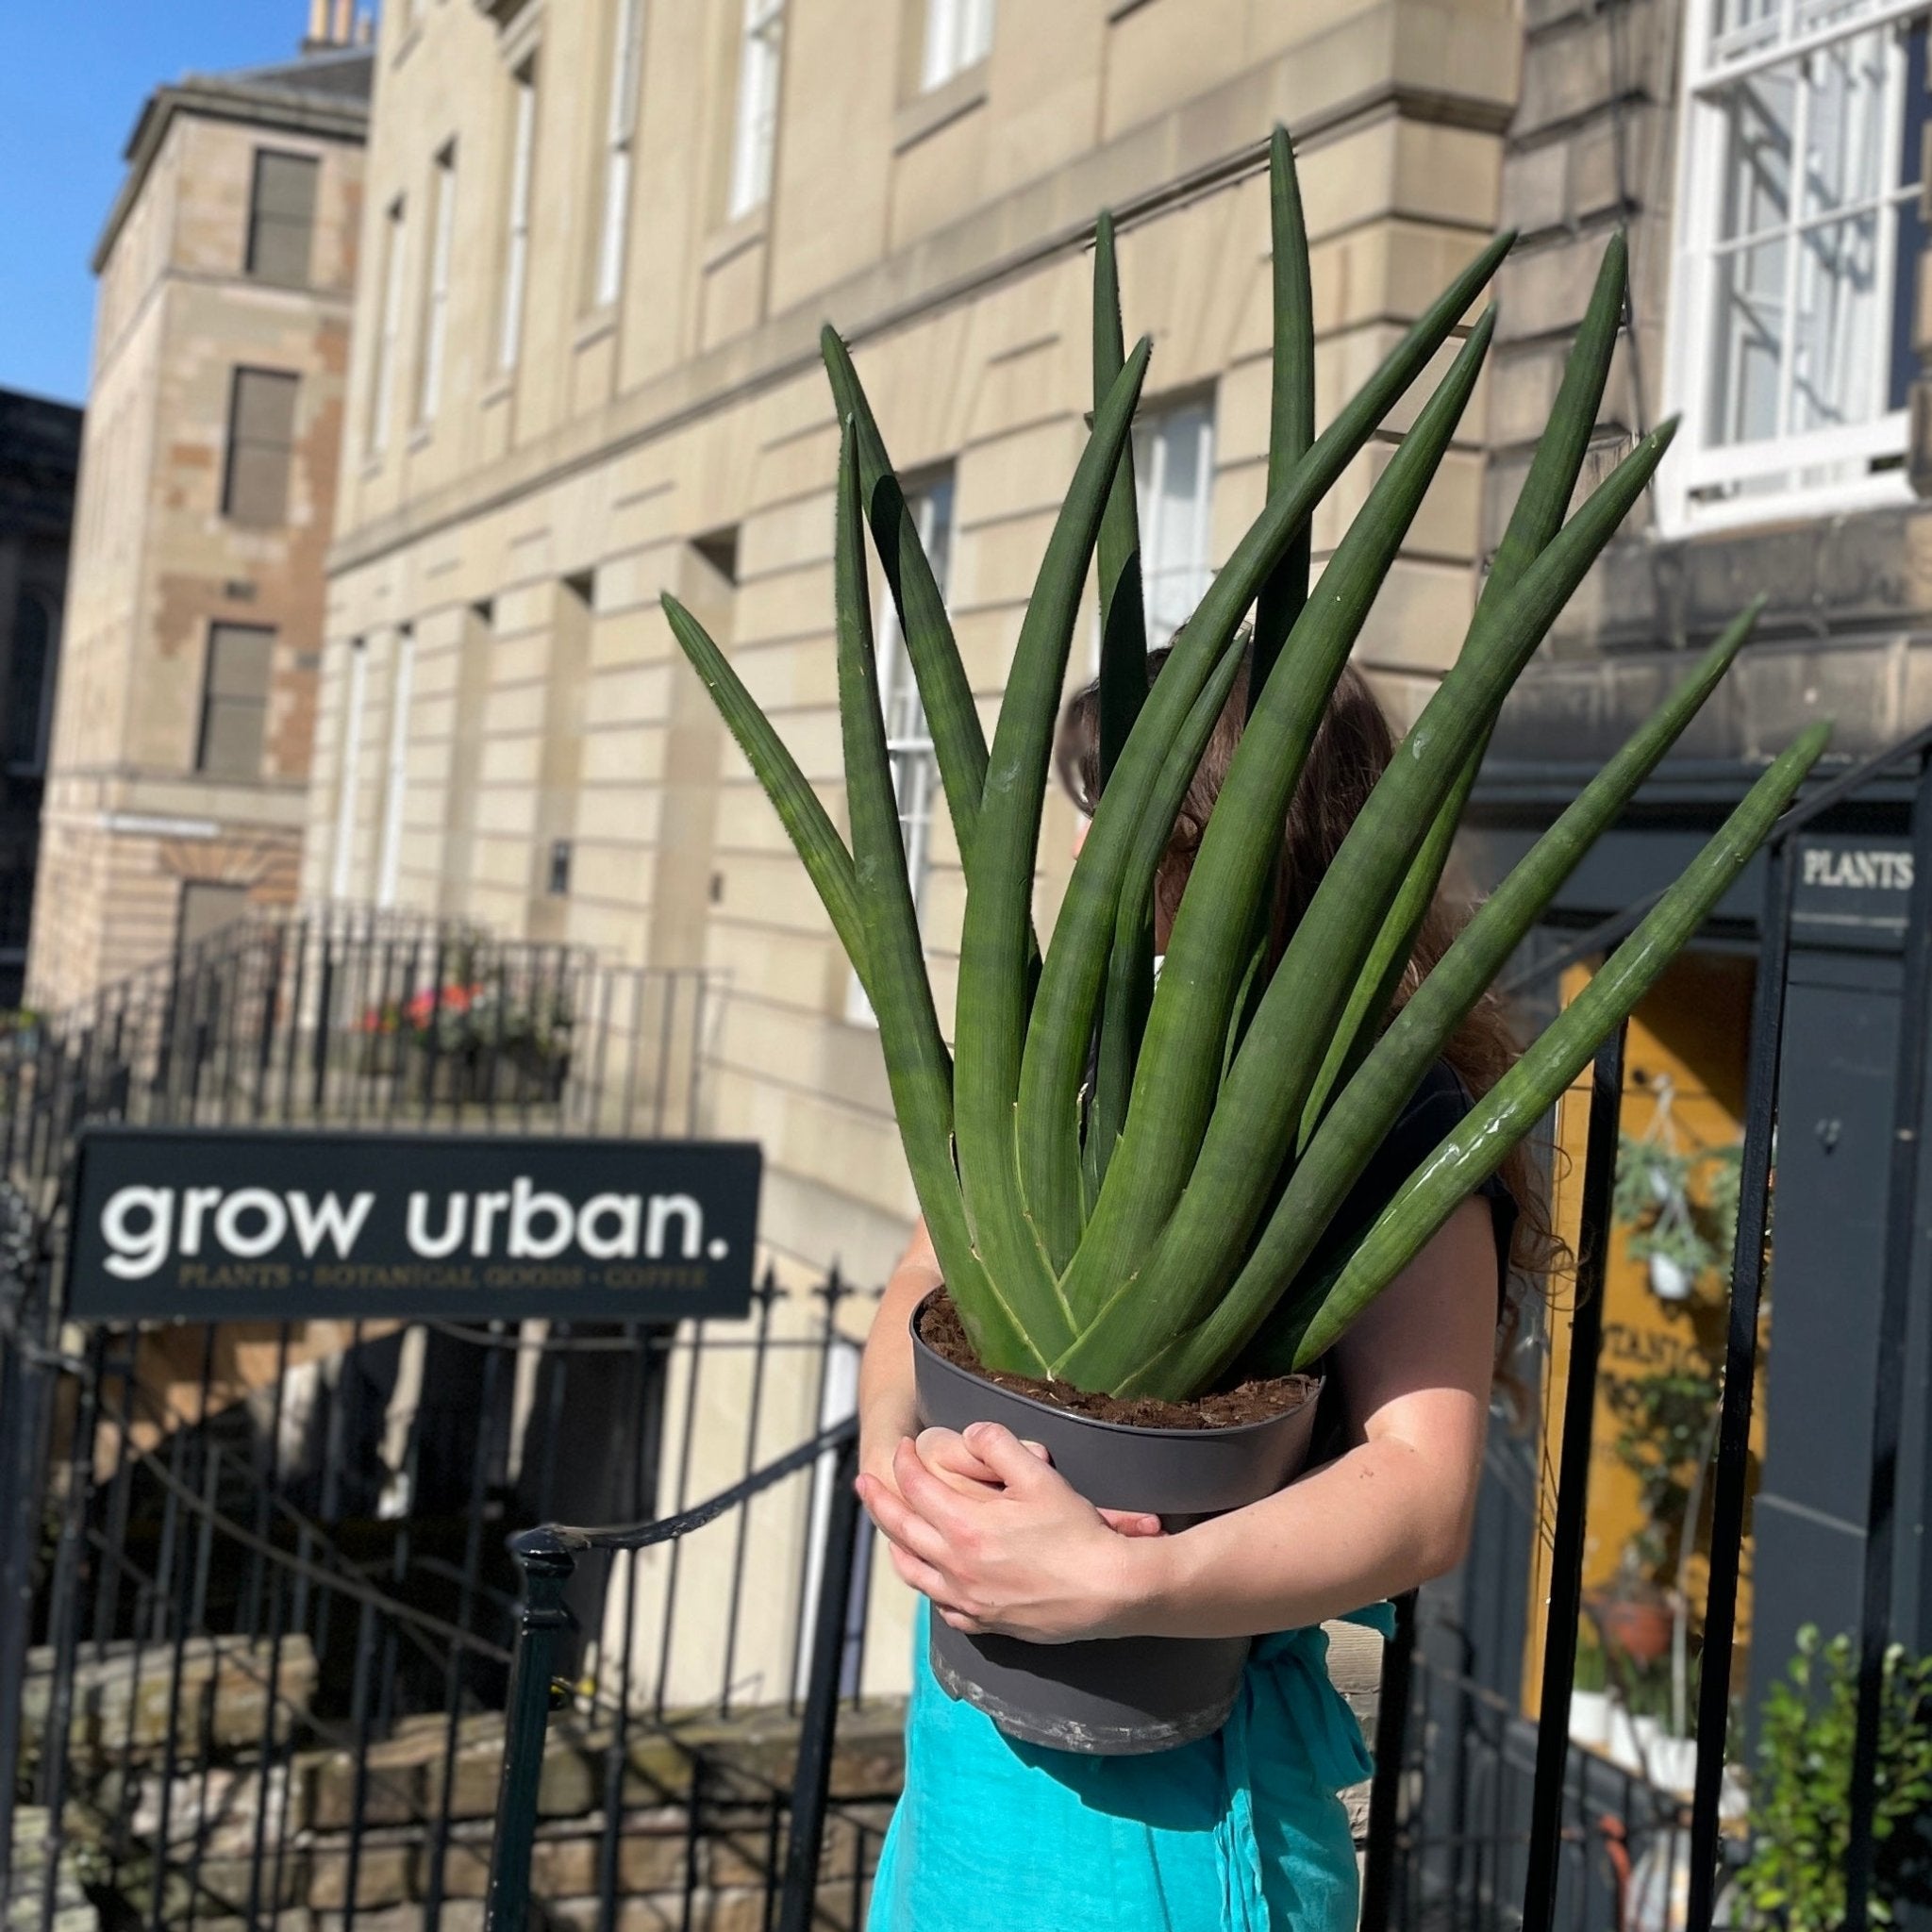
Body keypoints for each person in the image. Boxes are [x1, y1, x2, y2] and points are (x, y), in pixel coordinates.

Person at [854, 642, 1547, 1932]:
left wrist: (1125, 1586)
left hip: (1180, 1803)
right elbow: (919, 1276)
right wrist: (899, 1469)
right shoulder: (1064, 1060)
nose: (1081, 870)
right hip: (970, 1766)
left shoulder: (1384, 1120)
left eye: (1113, 827)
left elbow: (1424, 1489)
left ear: (1214, 847)